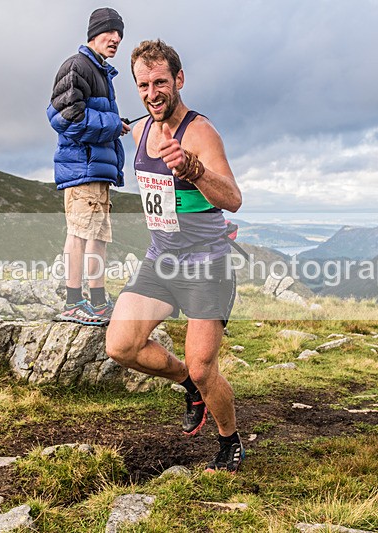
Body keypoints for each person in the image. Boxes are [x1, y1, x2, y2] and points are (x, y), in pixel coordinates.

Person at [105, 40, 245, 473]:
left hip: (207, 265)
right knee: (121, 345)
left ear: (178, 81)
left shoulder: (201, 133)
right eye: (143, 84)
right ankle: (186, 384)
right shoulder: (141, 129)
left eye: (161, 82)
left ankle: (229, 442)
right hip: (162, 260)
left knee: (206, 367)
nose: (152, 92)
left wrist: (193, 169)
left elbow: (234, 199)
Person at [47, 7, 129, 326]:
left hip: (98, 171)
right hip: (81, 169)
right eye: (111, 31)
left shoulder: (101, 72)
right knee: (80, 233)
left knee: (98, 235)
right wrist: (111, 123)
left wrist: (114, 124)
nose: (117, 38)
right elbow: (64, 116)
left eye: (120, 33)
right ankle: (72, 301)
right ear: (94, 32)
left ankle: (97, 300)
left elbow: (92, 117)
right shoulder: (77, 66)